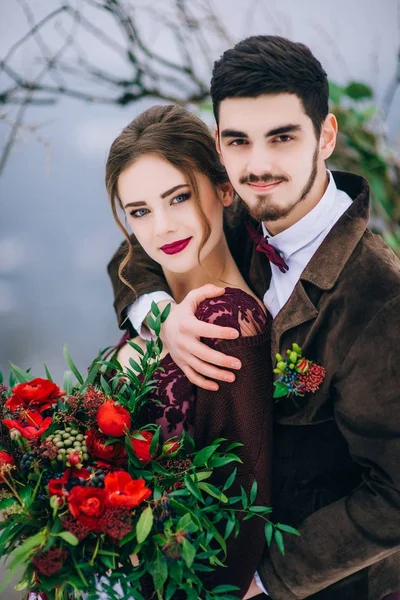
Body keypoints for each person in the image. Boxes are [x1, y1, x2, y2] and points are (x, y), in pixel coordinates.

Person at [107, 36, 400, 599]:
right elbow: (139, 248)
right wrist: (162, 314)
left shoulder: (377, 297)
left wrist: (265, 580)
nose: (259, 164)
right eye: (239, 141)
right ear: (219, 146)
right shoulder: (241, 214)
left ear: (326, 136)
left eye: (283, 137)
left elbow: (394, 492)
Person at [105, 104, 274, 598]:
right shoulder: (164, 310)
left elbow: (239, 522)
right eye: (140, 211)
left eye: (178, 198)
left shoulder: (226, 326)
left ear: (226, 189)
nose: (161, 228)